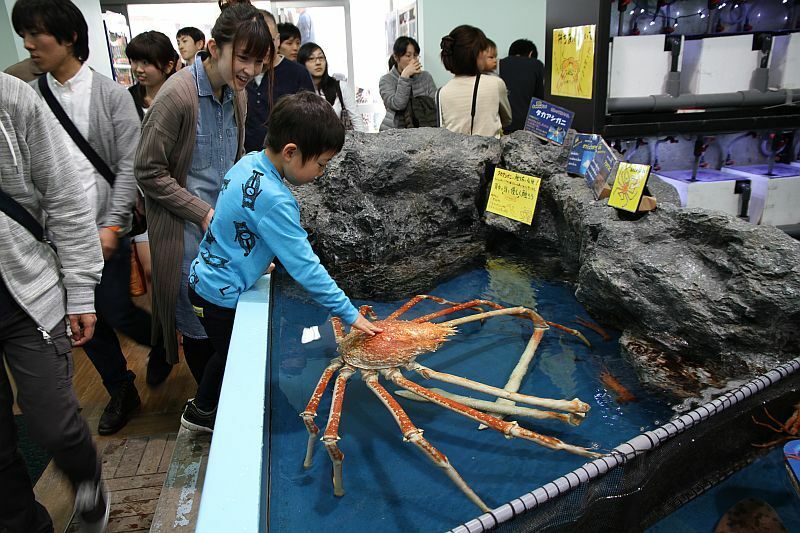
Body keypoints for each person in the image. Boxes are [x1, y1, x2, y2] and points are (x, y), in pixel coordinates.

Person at [181, 92, 382, 432]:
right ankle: (232, 420)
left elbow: (232, 227)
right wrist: (349, 313)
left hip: (207, 280)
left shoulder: (248, 163)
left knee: (225, 351)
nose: (321, 173)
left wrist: (254, 264)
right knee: (244, 360)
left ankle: (201, 408)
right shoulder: (277, 200)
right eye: (320, 164)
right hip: (219, 296)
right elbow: (306, 267)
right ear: (291, 152)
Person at [13, 0, 153, 435]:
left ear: (70, 37)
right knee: (83, 322)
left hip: (104, 227)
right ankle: (120, 388)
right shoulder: (30, 97)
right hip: (57, 237)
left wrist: (112, 225)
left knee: (116, 308)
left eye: (38, 33)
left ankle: (165, 341)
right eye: (24, 34)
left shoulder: (110, 95)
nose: (29, 44)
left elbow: (129, 164)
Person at [135, 2, 273, 389]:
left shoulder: (237, 94)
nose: (250, 70)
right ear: (214, 47)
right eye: (243, 58)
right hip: (185, 237)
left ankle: (223, 402)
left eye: (259, 62)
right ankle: (207, 410)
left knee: (225, 322)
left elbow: (236, 156)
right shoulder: (177, 97)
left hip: (223, 234)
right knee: (197, 329)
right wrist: (201, 211)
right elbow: (147, 171)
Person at [0, 72, 108, 533]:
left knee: (54, 424)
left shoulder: (10, 97)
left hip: (27, 293)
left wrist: (81, 289)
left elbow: (64, 195)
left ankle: (88, 480)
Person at [245, 10, 314, 153]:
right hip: (245, 162)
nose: (265, 47)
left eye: (269, 41)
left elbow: (311, 122)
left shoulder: (297, 74)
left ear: (277, 40)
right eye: (258, 41)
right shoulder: (241, 74)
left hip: (286, 163)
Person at [438, 25, 512, 138]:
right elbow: (507, 120)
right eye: (483, 50)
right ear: (476, 54)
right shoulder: (496, 84)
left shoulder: (442, 92)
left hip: (455, 154)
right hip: (490, 153)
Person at [298, 42, 366, 132]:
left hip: (339, 143)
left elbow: (356, 119)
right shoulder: (297, 90)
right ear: (302, 64)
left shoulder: (340, 87)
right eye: (311, 59)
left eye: (321, 58)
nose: (318, 62)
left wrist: (361, 143)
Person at [378, 36, 437, 131]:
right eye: (408, 56)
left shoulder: (426, 77)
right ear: (396, 57)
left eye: (415, 55)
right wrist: (405, 76)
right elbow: (397, 105)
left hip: (423, 130)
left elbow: (435, 104)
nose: (413, 59)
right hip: (394, 132)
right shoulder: (386, 80)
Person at [499, 38, 544, 134]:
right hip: (527, 127)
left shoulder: (499, 63)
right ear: (531, 54)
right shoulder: (537, 65)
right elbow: (540, 99)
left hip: (501, 125)